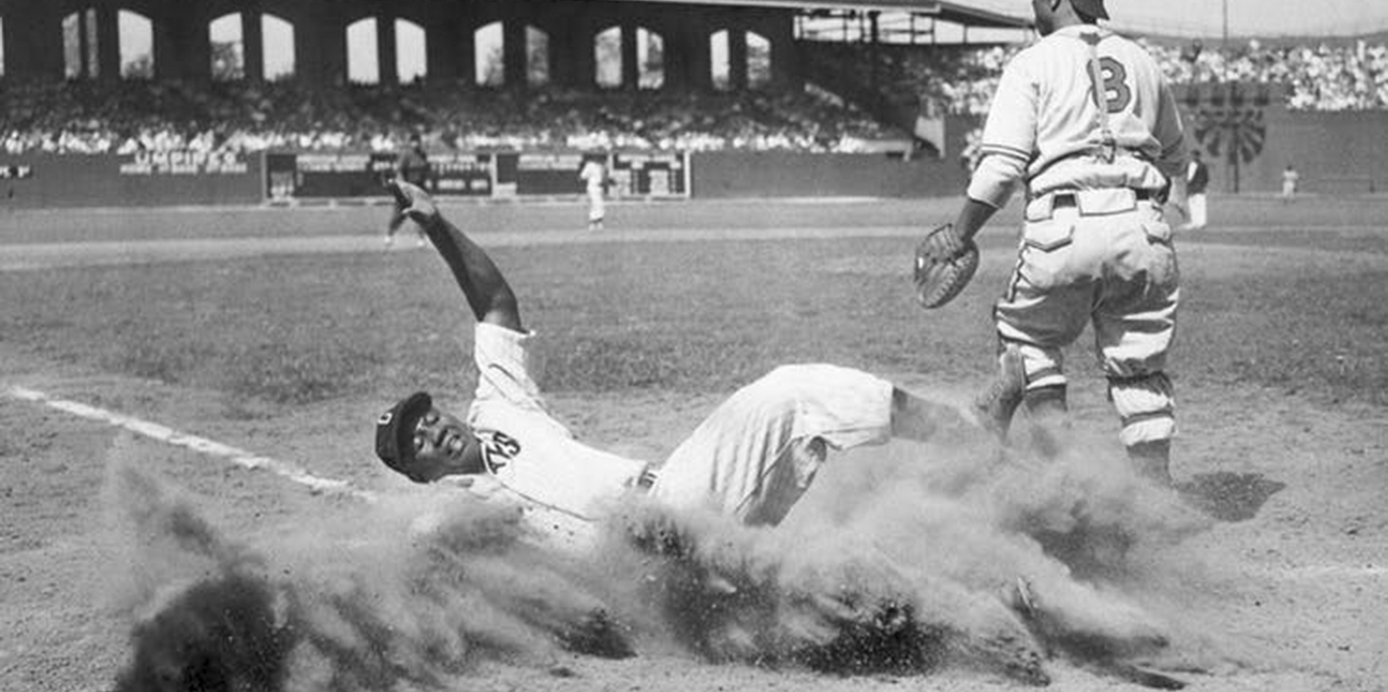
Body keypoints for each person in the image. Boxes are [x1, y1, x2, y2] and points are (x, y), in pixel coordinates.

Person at [375, 180, 978, 533]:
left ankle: (970, 442)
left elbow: (496, 307)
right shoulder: (451, 521)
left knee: (795, 393)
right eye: (417, 442)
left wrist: (438, 226)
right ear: (416, 474)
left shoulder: (498, 406)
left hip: (676, 506)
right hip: (646, 573)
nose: (432, 430)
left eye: (427, 418)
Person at [936, 0, 1188, 486]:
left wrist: (959, 234)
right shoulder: (1143, 61)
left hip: (1065, 224)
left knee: (1027, 341)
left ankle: (1064, 483)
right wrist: (1144, 212)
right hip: (1143, 227)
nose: (1032, 3)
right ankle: (1156, 507)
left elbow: (1002, 169)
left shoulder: (1032, 63)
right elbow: (1174, 156)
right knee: (1140, 369)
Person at [385, 133, 430, 248]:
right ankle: (389, 235)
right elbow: (399, 170)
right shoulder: (406, 153)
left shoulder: (422, 154)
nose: (416, 143)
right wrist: (403, 187)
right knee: (399, 214)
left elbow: (424, 171)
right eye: (413, 141)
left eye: (417, 141)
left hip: (419, 188)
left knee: (420, 214)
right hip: (406, 188)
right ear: (410, 142)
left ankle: (421, 239)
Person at [1180, 149, 1209, 230]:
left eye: (1193, 155)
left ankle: (1201, 223)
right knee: (1192, 206)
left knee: (1200, 205)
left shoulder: (1202, 165)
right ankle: (1194, 222)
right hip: (1190, 189)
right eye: (1191, 155)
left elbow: (1206, 178)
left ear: (1198, 156)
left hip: (1199, 189)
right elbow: (1186, 176)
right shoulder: (1188, 165)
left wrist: (1202, 186)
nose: (1192, 157)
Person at [578, 156, 608, 231]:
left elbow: (604, 177)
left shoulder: (603, 166)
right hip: (593, 187)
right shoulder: (590, 165)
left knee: (600, 204)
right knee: (596, 204)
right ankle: (593, 222)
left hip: (600, 187)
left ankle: (598, 222)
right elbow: (583, 176)